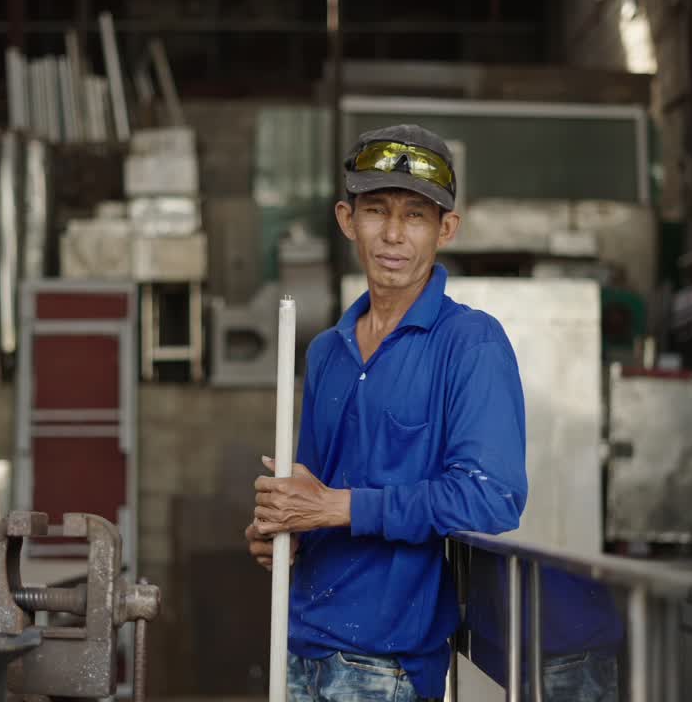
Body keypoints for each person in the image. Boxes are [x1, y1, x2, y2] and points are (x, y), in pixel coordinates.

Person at [246, 124, 621, 701]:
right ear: (348, 220)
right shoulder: (327, 351)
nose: (393, 234)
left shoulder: (470, 344)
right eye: (376, 211)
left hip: (386, 664)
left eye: (416, 215)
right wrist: (283, 528)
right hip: (296, 642)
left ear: (446, 229)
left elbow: (491, 496)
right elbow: (314, 495)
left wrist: (335, 507)